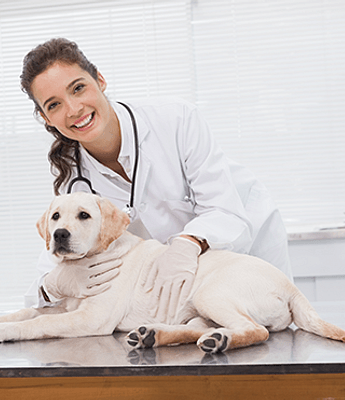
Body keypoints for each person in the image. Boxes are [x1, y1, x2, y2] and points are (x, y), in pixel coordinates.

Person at [22, 38, 292, 323]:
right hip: (174, 296)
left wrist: (187, 244)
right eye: (54, 105)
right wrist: (53, 284)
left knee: (269, 327)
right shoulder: (72, 181)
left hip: (244, 245)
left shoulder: (175, 119)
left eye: (78, 88)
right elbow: (48, 271)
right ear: (45, 118)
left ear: (100, 80)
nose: (73, 109)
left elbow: (223, 210)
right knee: (205, 338)